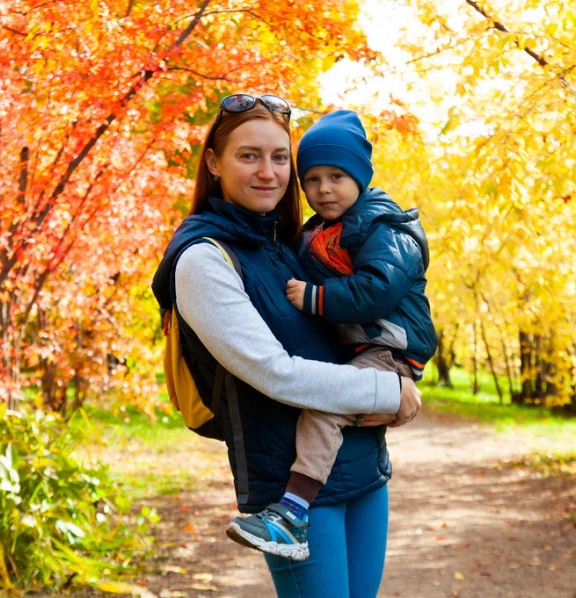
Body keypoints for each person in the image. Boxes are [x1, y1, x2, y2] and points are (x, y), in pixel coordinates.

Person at [150, 94, 422, 597]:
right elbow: (276, 373)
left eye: (280, 157)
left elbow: (374, 308)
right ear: (214, 162)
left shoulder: (297, 242)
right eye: (248, 155)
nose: (268, 172)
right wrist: (389, 392)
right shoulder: (203, 260)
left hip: (362, 467)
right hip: (292, 494)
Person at [226, 109, 437, 562]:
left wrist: (316, 298)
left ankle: (293, 512)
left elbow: (379, 289)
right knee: (332, 403)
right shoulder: (320, 230)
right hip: (365, 345)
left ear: (360, 177)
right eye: (313, 179)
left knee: (325, 408)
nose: (323, 189)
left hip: (390, 346)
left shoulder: (384, 226)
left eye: (337, 176)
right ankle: (296, 508)